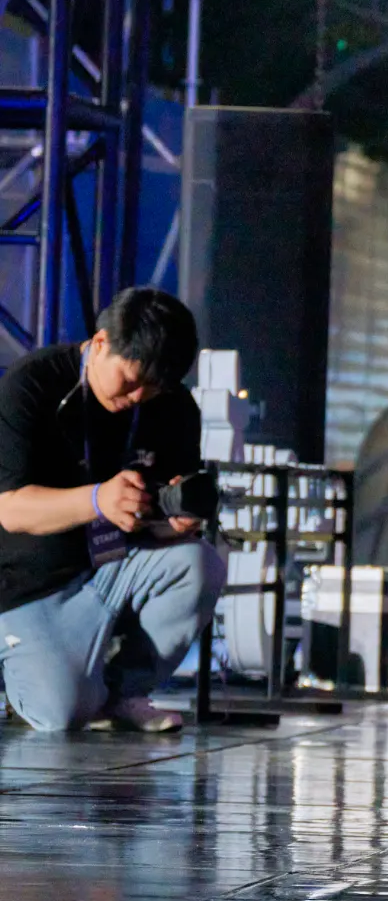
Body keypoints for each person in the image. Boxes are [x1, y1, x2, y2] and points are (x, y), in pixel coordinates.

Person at [0, 288, 222, 732]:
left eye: (154, 388)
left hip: (111, 567)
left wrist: (175, 524)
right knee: (61, 713)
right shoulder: (33, 384)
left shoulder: (175, 407)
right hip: (29, 585)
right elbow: (10, 509)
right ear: (101, 343)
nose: (138, 396)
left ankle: (125, 693)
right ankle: (31, 670)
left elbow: (161, 521)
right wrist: (97, 500)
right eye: (130, 380)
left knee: (200, 564)